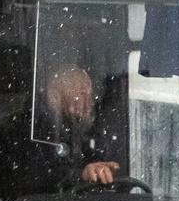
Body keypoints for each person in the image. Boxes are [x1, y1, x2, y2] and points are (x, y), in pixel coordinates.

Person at [28, 63, 124, 192]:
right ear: (54, 96)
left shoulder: (80, 129)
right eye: (82, 94)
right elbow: (38, 177)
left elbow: (89, 159)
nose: (90, 101)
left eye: (91, 94)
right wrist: (81, 176)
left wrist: (101, 169)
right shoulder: (33, 130)